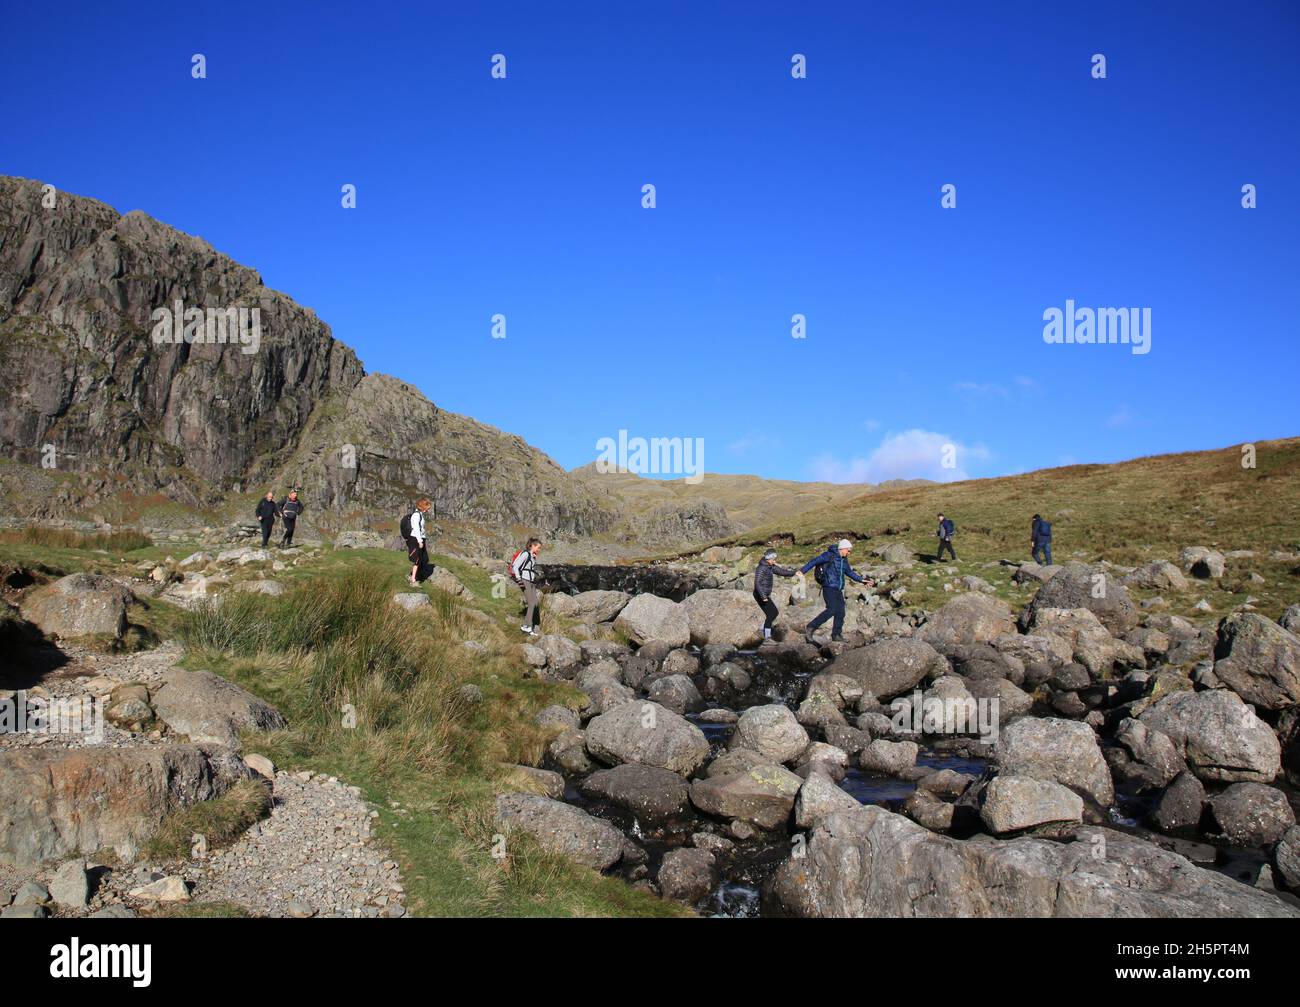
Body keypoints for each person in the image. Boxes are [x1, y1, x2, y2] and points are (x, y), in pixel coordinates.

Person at [799, 539, 869, 643]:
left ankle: (836, 635)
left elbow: (849, 572)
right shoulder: (829, 555)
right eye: (848, 550)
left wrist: (861, 580)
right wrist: (802, 571)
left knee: (841, 612)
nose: (849, 553)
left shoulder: (844, 559)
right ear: (842, 548)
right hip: (828, 586)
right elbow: (815, 561)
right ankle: (810, 627)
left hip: (839, 589)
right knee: (831, 609)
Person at [753, 549, 799, 641]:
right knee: (771, 614)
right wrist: (763, 596)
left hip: (764, 594)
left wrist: (795, 573)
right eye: (773, 559)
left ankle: (762, 628)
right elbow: (757, 583)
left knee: (775, 613)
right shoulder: (761, 568)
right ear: (768, 559)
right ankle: (767, 636)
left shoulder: (770, 566)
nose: (775, 561)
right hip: (760, 594)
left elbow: (782, 572)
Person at [511, 537, 542, 634]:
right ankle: (526, 626)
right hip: (525, 580)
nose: (539, 549)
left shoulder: (532, 556)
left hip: (531, 581)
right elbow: (516, 567)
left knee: (535, 603)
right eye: (538, 547)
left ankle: (529, 626)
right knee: (531, 603)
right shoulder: (525, 554)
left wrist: (533, 559)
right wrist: (519, 579)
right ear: (532, 545)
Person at [405, 498, 431, 586]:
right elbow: (416, 529)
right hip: (416, 539)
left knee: (423, 559)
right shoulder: (416, 515)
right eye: (427, 507)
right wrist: (420, 541)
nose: (428, 509)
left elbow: (421, 528)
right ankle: (413, 579)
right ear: (423, 506)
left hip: (420, 538)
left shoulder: (420, 515)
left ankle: (413, 575)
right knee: (417, 559)